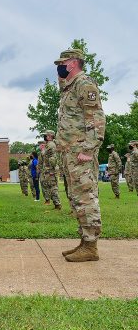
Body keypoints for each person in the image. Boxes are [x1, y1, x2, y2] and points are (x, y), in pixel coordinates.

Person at [55, 48, 106, 262]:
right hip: (70, 152)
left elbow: (95, 117)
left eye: (62, 63)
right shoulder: (70, 86)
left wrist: (88, 149)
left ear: (73, 63)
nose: (59, 67)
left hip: (80, 152)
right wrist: (62, 78)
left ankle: (91, 246)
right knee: (76, 198)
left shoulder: (84, 83)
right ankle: (85, 242)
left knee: (86, 196)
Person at [43, 130, 61, 210]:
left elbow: (53, 158)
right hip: (49, 169)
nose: (45, 137)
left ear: (50, 136)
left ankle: (57, 204)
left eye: (46, 135)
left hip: (51, 169)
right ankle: (56, 204)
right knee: (50, 186)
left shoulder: (51, 145)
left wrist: (52, 170)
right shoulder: (49, 144)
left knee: (53, 187)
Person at [37, 140, 50, 204]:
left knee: (45, 185)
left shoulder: (44, 152)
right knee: (43, 185)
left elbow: (45, 162)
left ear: (42, 145)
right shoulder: (41, 152)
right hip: (42, 171)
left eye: (39, 145)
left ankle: (48, 199)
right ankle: (47, 199)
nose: (38, 147)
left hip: (45, 171)